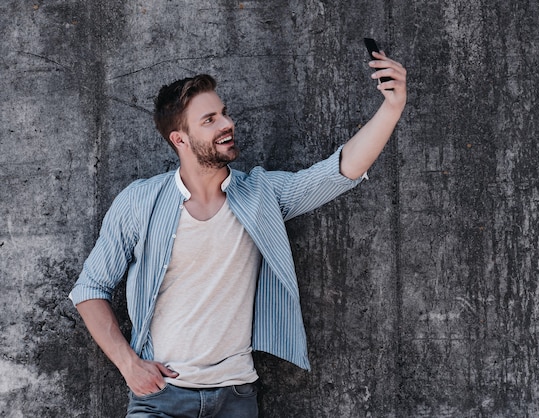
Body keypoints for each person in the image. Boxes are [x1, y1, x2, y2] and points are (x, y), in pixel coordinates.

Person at [70, 50, 406, 417]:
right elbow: (90, 289)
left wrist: (392, 107)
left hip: (235, 399)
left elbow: (339, 171)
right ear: (180, 139)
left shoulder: (261, 195)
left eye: (224, 113)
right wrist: (128, 364)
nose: (227, 123)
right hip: (160, 398)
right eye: (210, 119)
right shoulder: (139, 202)